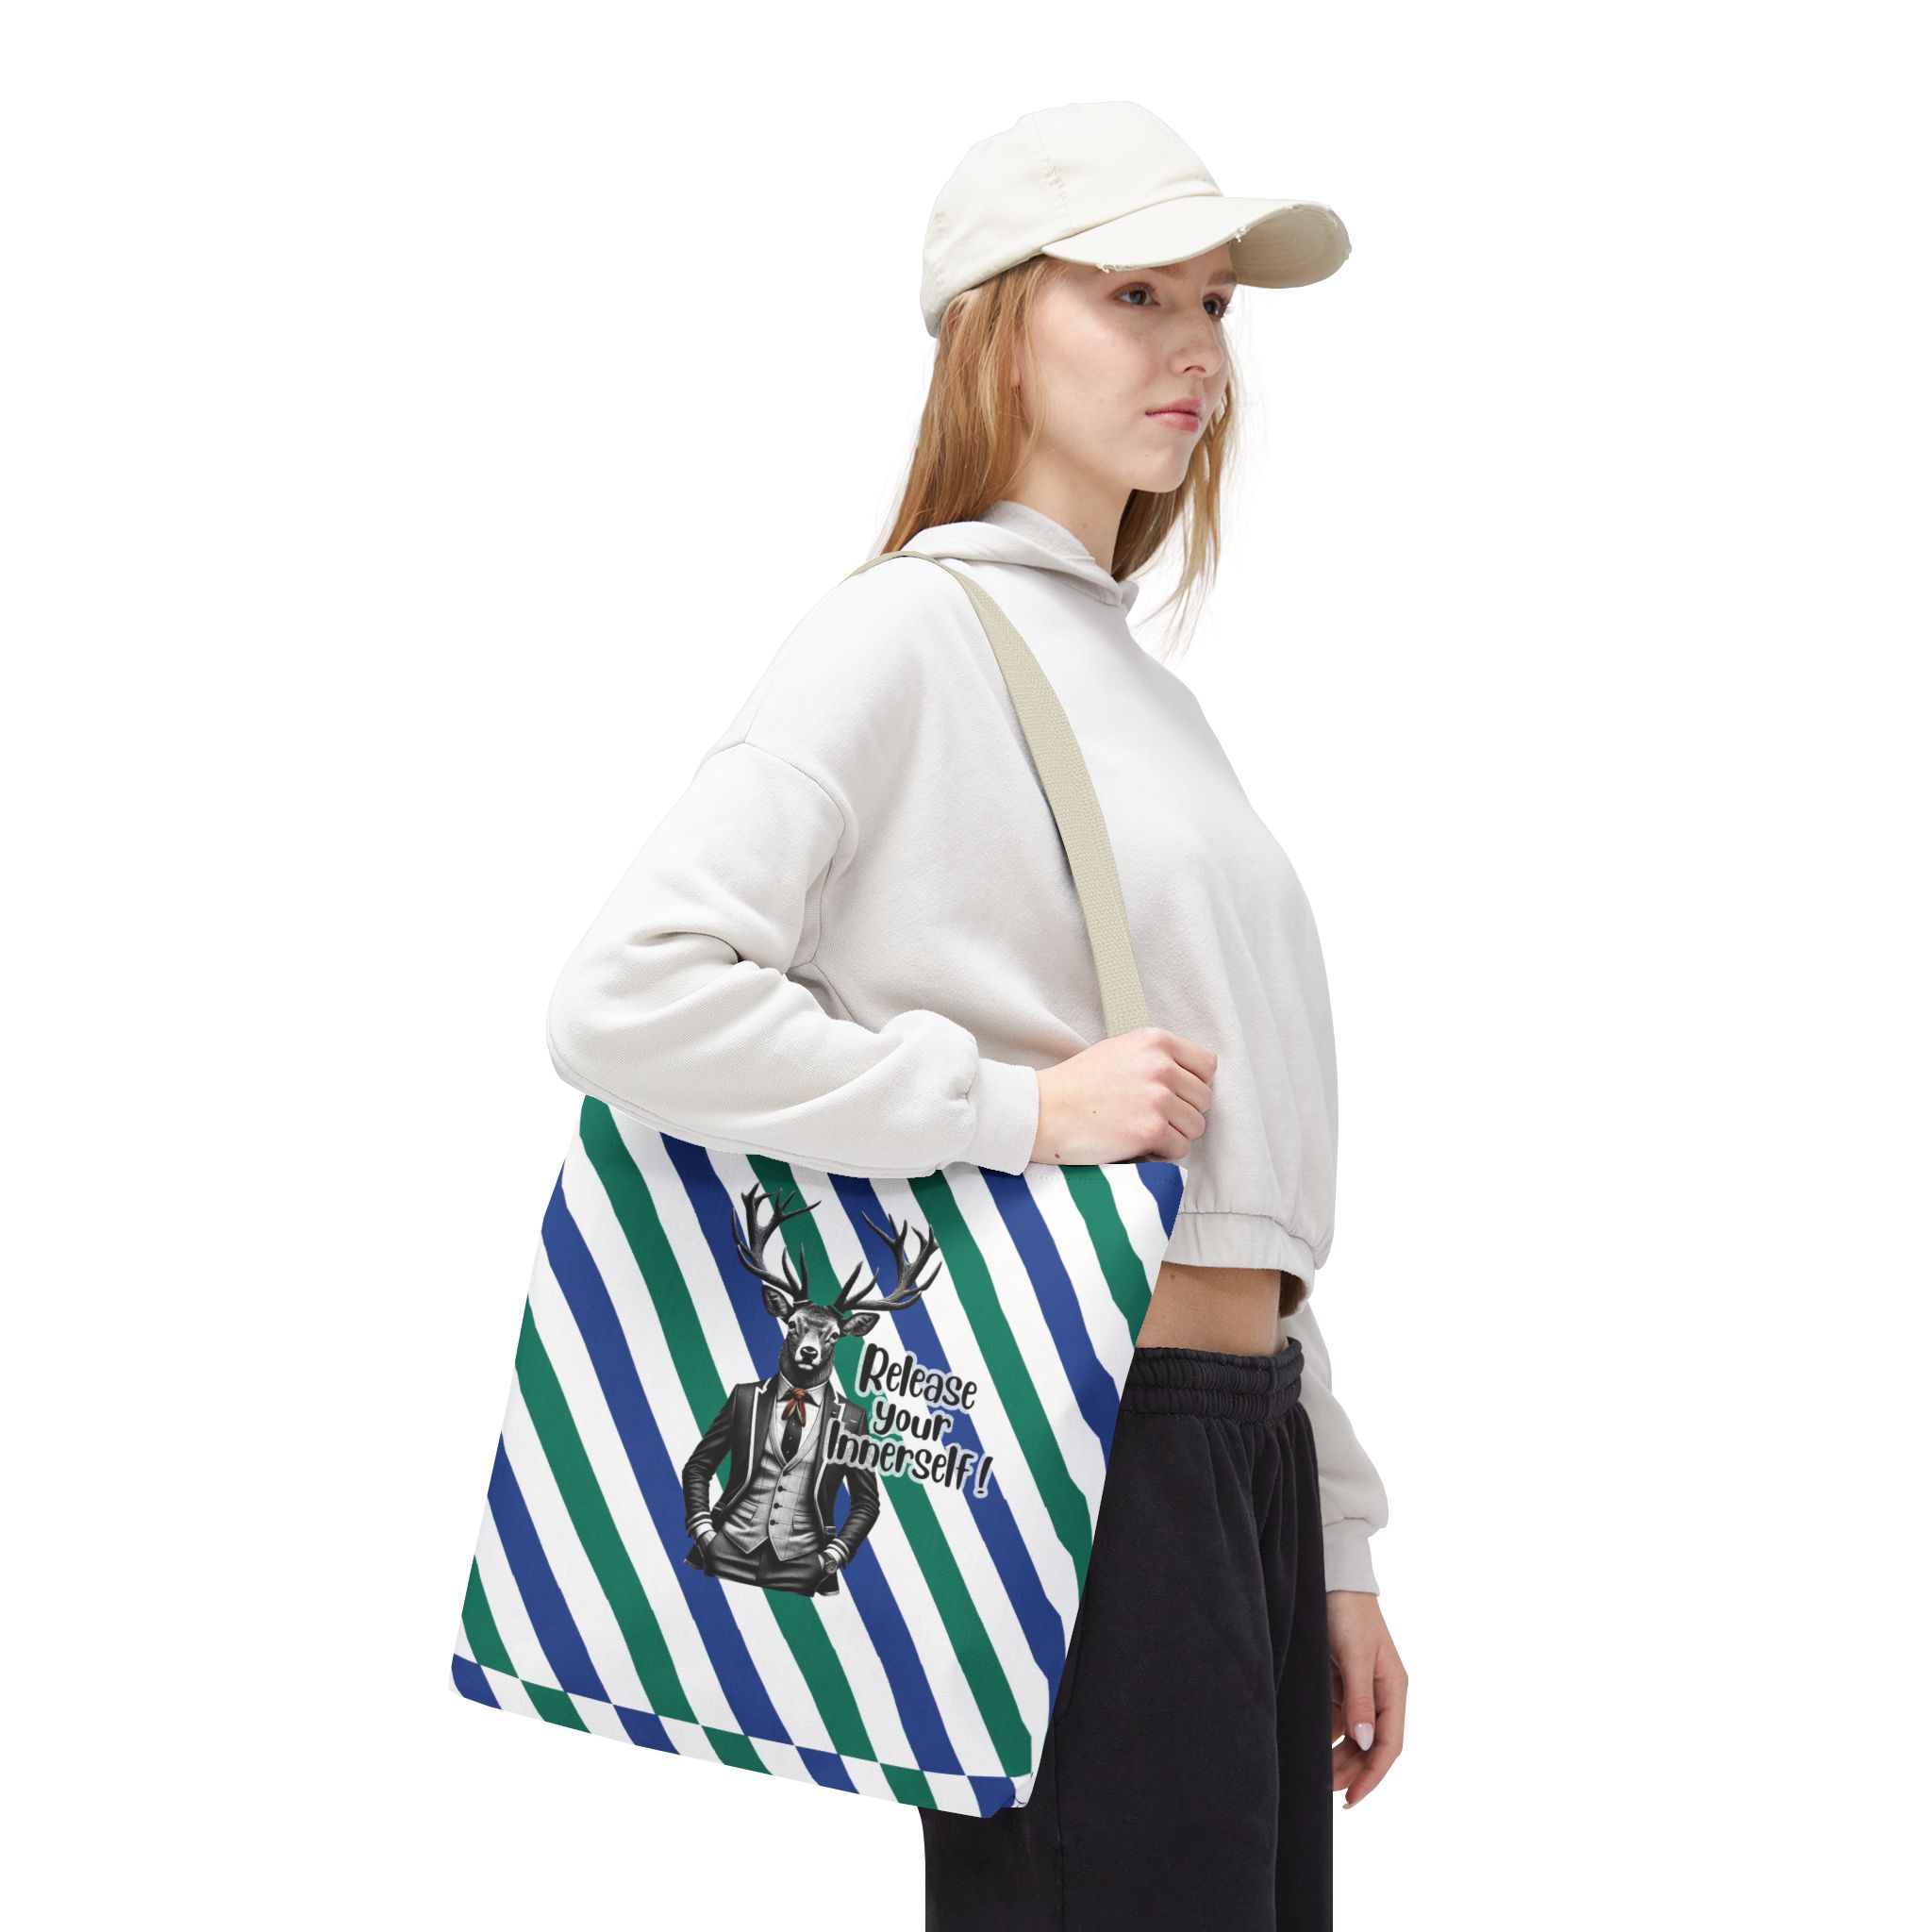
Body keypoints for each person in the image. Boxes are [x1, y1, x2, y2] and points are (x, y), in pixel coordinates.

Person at [544, 98, 1406, 1930]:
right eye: (1134, 294)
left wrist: (1330, 1532)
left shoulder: (1144, 694)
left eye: (1215, 303)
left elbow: (1232, 1169)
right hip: (1086, 1443)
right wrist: (1015, 1112)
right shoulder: (904, 634)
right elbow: (628, 996)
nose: (1196, 346)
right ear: (997, 330)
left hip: (1229, 1444)